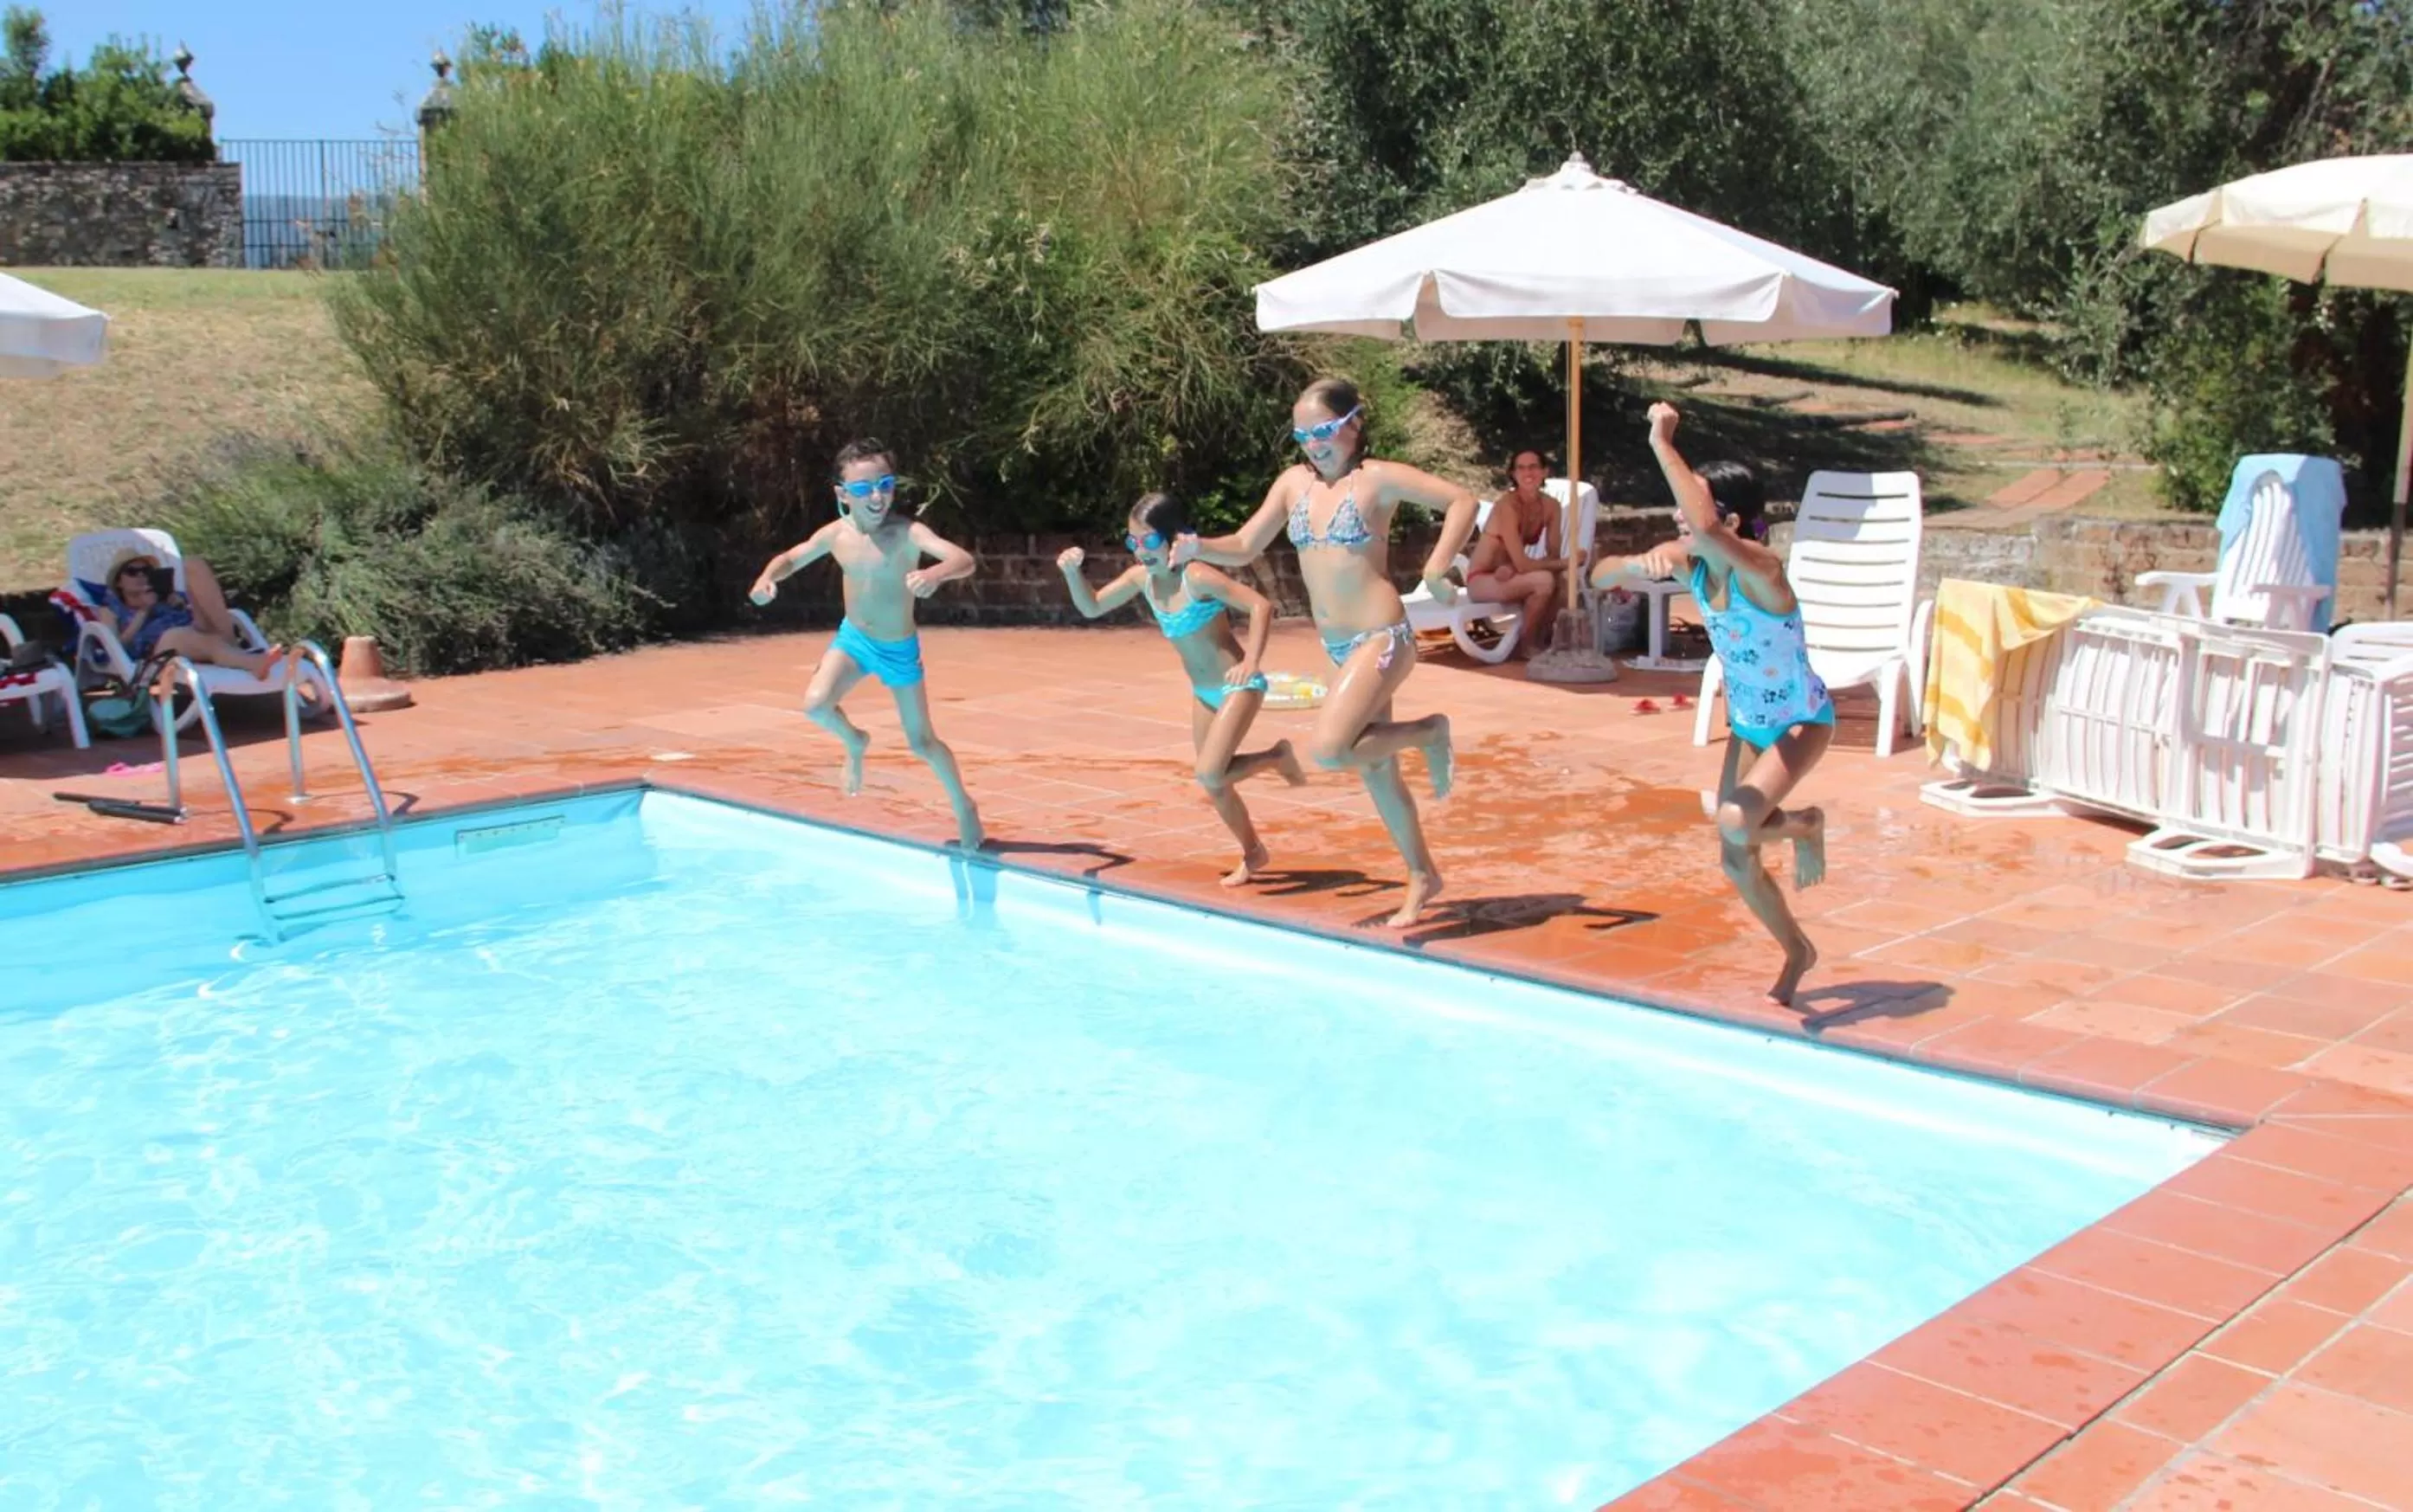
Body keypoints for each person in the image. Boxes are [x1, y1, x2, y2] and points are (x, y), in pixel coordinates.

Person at [1176, 377, 1480, 927]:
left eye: (1323, 432)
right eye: (1302, 436)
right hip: (1339, 647)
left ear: (1353, 426)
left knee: (1333, 749)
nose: (1313, 445)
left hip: (1382, 636)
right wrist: (1200, 546)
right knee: (1377, 770)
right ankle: (1422, 875)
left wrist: (1436, 568)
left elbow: (1463, 499)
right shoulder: (1295, 483)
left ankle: (1431, 731)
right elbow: (1246, 544)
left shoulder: (1377, 479)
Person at [1591, 402, 1831, 1006]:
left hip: (1801, 720)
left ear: (1730, 519)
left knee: (1734, 819)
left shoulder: (1763, 570)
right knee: (1735, 859)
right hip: (1749, 723)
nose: (1680, 515)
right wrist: (1633, 564)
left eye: (1692, 502)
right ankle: (1797, 947)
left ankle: (1805, 824)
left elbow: (1708, 529)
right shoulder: (1692, 561)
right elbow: (1597, 576)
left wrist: (1661, 441)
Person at [1058, 492, 1307, 885]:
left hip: (1237, 686)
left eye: (1150, 541)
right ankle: (1254, 853)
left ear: (1175, 538)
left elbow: (1260, 605)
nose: (1141, 551)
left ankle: (1276, 757)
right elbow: (1091, 608)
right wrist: (1073, 573)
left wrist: (1251, 662)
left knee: (1210, 774)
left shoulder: (1198, 576)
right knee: (1217, 784)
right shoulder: (1142, 579)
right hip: (1204, 695)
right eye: (1133, 542)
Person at [750, 438, 984, 850]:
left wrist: (935, 575)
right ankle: (855, 741)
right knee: (815, 704)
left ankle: (964, 805)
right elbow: (792, 556)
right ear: (843, 495)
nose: (876, 496)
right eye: (862, 489)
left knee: (922, 743)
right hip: (854, 641)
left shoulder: (908, 533)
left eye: (885, 484)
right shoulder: (836, 535)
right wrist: (767, 577)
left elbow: (963, 559)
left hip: (898, 649)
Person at [95, 550, 291, 681]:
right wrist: (143, 612)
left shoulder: (163, 596)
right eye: (132, 572)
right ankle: (253, 663)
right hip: (156, 654)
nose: (140, 576)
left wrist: (179, 604)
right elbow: (116, 648)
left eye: (145, 571)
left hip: (195, 633)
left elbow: (192, 615)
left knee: (192, 565)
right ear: (119, 582)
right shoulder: (111, 609)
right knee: (177, 635)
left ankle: (231, 645)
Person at [1463, 448, 1573, 658]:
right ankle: (1527, 643)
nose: (1527, 473)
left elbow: (1552, 556)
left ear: (1544, 472)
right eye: (1520, 468)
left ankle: (1544, 639)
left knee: (1563, 580)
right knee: (1543, 581)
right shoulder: (1507, 506)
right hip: (1482, 579)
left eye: (1533, 467)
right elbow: (1531, 565)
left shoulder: (1551, 506)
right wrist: (1569, 561)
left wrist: (1515, 567)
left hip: (1509, 574)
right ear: (1513, 474)